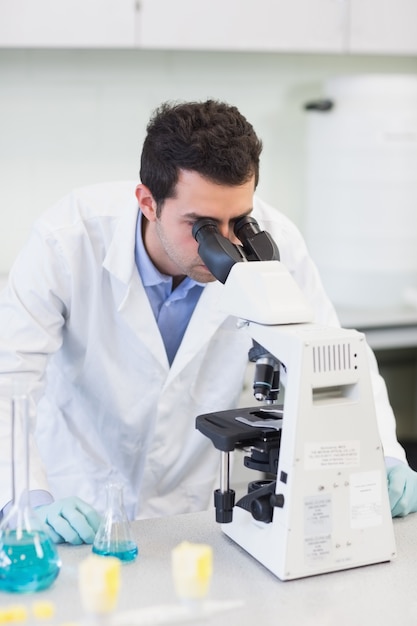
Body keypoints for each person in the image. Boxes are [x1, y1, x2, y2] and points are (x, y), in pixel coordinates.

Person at [0, 100, 416, 545]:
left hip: (201, 508)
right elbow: (10, 379)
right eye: (201, 226)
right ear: (148, 203)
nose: (227, 242)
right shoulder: (67, 240)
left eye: (239, 220)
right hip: (79, 503)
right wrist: (27, 499)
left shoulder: (278, 241)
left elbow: (335, 361)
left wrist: (385, 456)